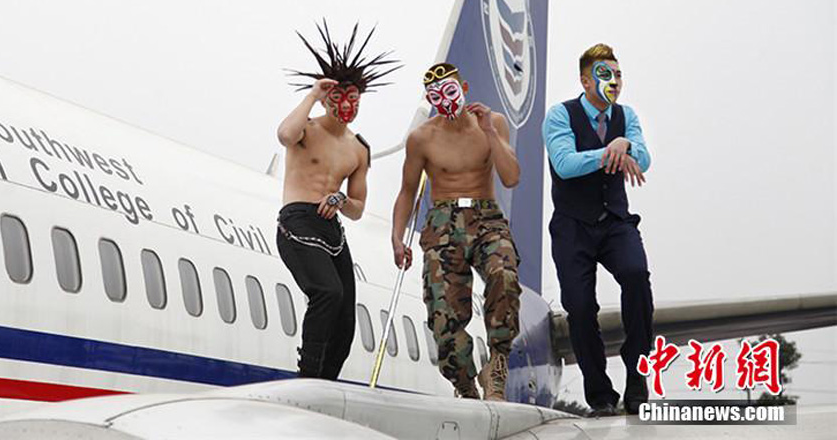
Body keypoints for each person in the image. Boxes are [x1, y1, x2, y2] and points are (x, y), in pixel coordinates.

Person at [391, 63, 522, 401]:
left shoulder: (493, 124)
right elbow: (408, 191)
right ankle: (463, 381)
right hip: (442, 221)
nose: (445, 102)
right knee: (443, 314)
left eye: (450, 92)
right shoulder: (422, 138)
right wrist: (397, 236)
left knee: (503, 275)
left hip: (486, 215)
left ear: (463, 88)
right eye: (436, 98)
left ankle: (497, 364)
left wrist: (490, 134)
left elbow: (511, 177)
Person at [276, 20, 399, 379]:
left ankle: (327, 379)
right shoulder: (306, 131)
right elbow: (284, 134)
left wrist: (341, 200)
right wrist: (313, 94)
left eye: (353, 99)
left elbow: (359, 208)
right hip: (297, 220)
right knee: (327, 291)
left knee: (346, 312)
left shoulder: (358, 149)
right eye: (338, 97)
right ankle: (309, 374)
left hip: (331, 226)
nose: (346, 106)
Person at [542, 43, 653, 416]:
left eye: (619, 74)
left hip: (615, 222)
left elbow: (644, 158)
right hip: (573, 226)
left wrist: (625, 143)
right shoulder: (560, 115)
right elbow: (565, 163)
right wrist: (613, 150)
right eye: (606, 75)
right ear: (586, 80)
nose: (615, 82)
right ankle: (600, 394)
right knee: (579, 305)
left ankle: (637, 376)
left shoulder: (627, 116)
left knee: (637, 276)